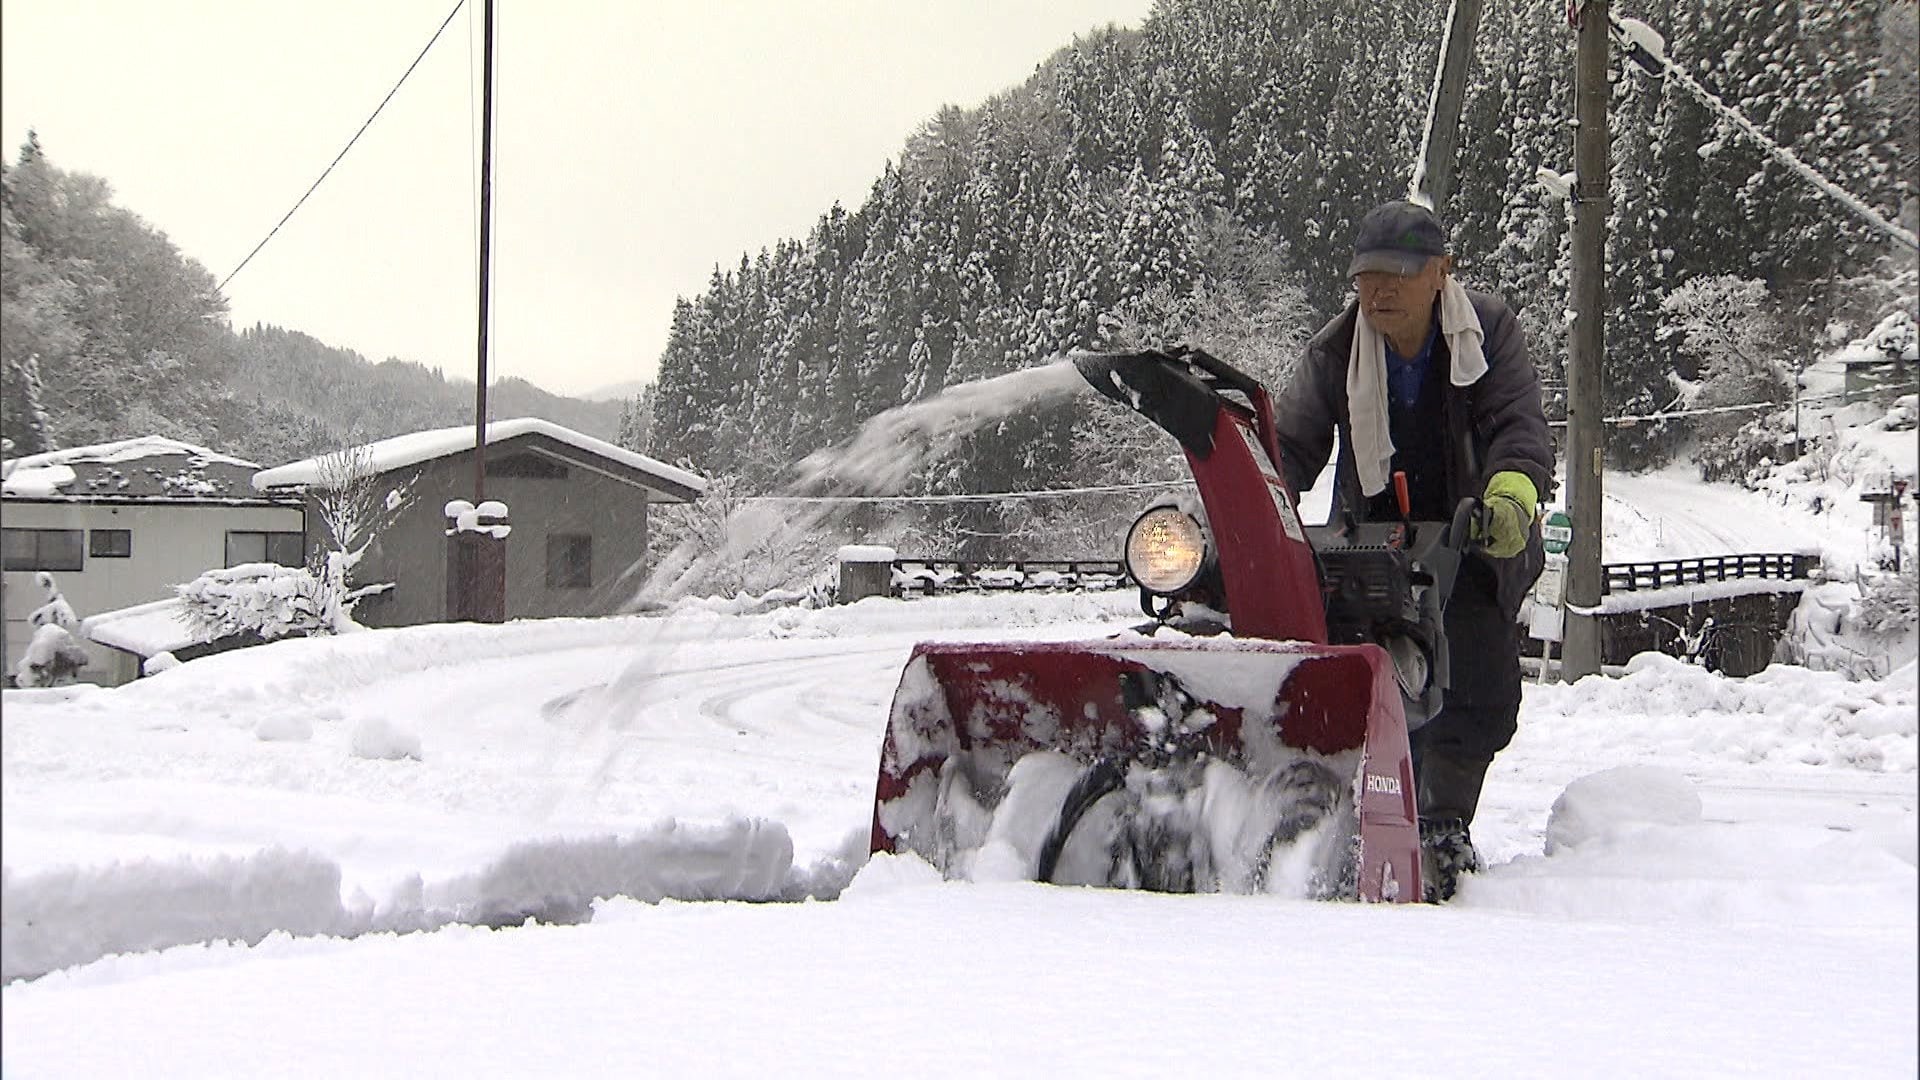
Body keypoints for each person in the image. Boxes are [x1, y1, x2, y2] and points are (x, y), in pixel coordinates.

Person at [1272, 199, 1553, 901]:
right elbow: (1290, 448)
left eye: (1397, 273)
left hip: (1470, 535)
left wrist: (1511, 498)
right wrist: (1243, 507)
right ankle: (1353, 818)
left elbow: (1517, 427)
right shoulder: (1336, 351)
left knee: (1476, 684)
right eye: (1366, 274)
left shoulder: (1486, 333)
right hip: (1372, 545)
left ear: (1440, 274)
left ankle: (1445, 823)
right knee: (1368, 682)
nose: (1379, 291)